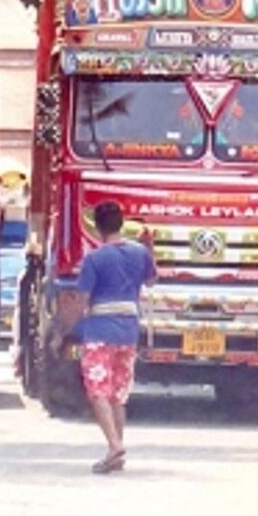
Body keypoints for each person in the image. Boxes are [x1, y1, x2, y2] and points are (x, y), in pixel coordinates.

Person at [75, 200, 157, 474]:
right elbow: (151, 280)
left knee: (98, 390)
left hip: (100, 330)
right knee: (118, 395)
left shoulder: (94, 259)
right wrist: (150, 248)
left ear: (98, 227)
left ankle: (114, 446)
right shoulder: (139, 252)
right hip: (129, 330)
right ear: (121, 224)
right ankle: (117, 447)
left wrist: (68, 329)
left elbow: (82, 298)